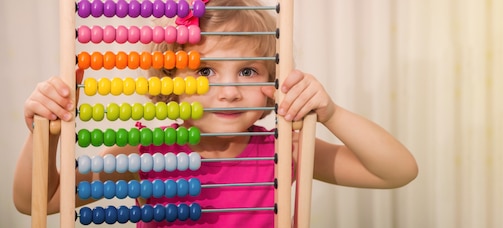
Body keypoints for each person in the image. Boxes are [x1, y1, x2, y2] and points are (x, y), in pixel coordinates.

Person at [13, 0, 418, 227]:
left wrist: (330, 112)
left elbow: (397, 171)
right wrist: (44, 134)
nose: (228, 93)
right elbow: (39, 202)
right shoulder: (145, 150)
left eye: (247, 71)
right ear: (169, 83)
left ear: (272, 84)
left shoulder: (283, 150)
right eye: (204, 71)